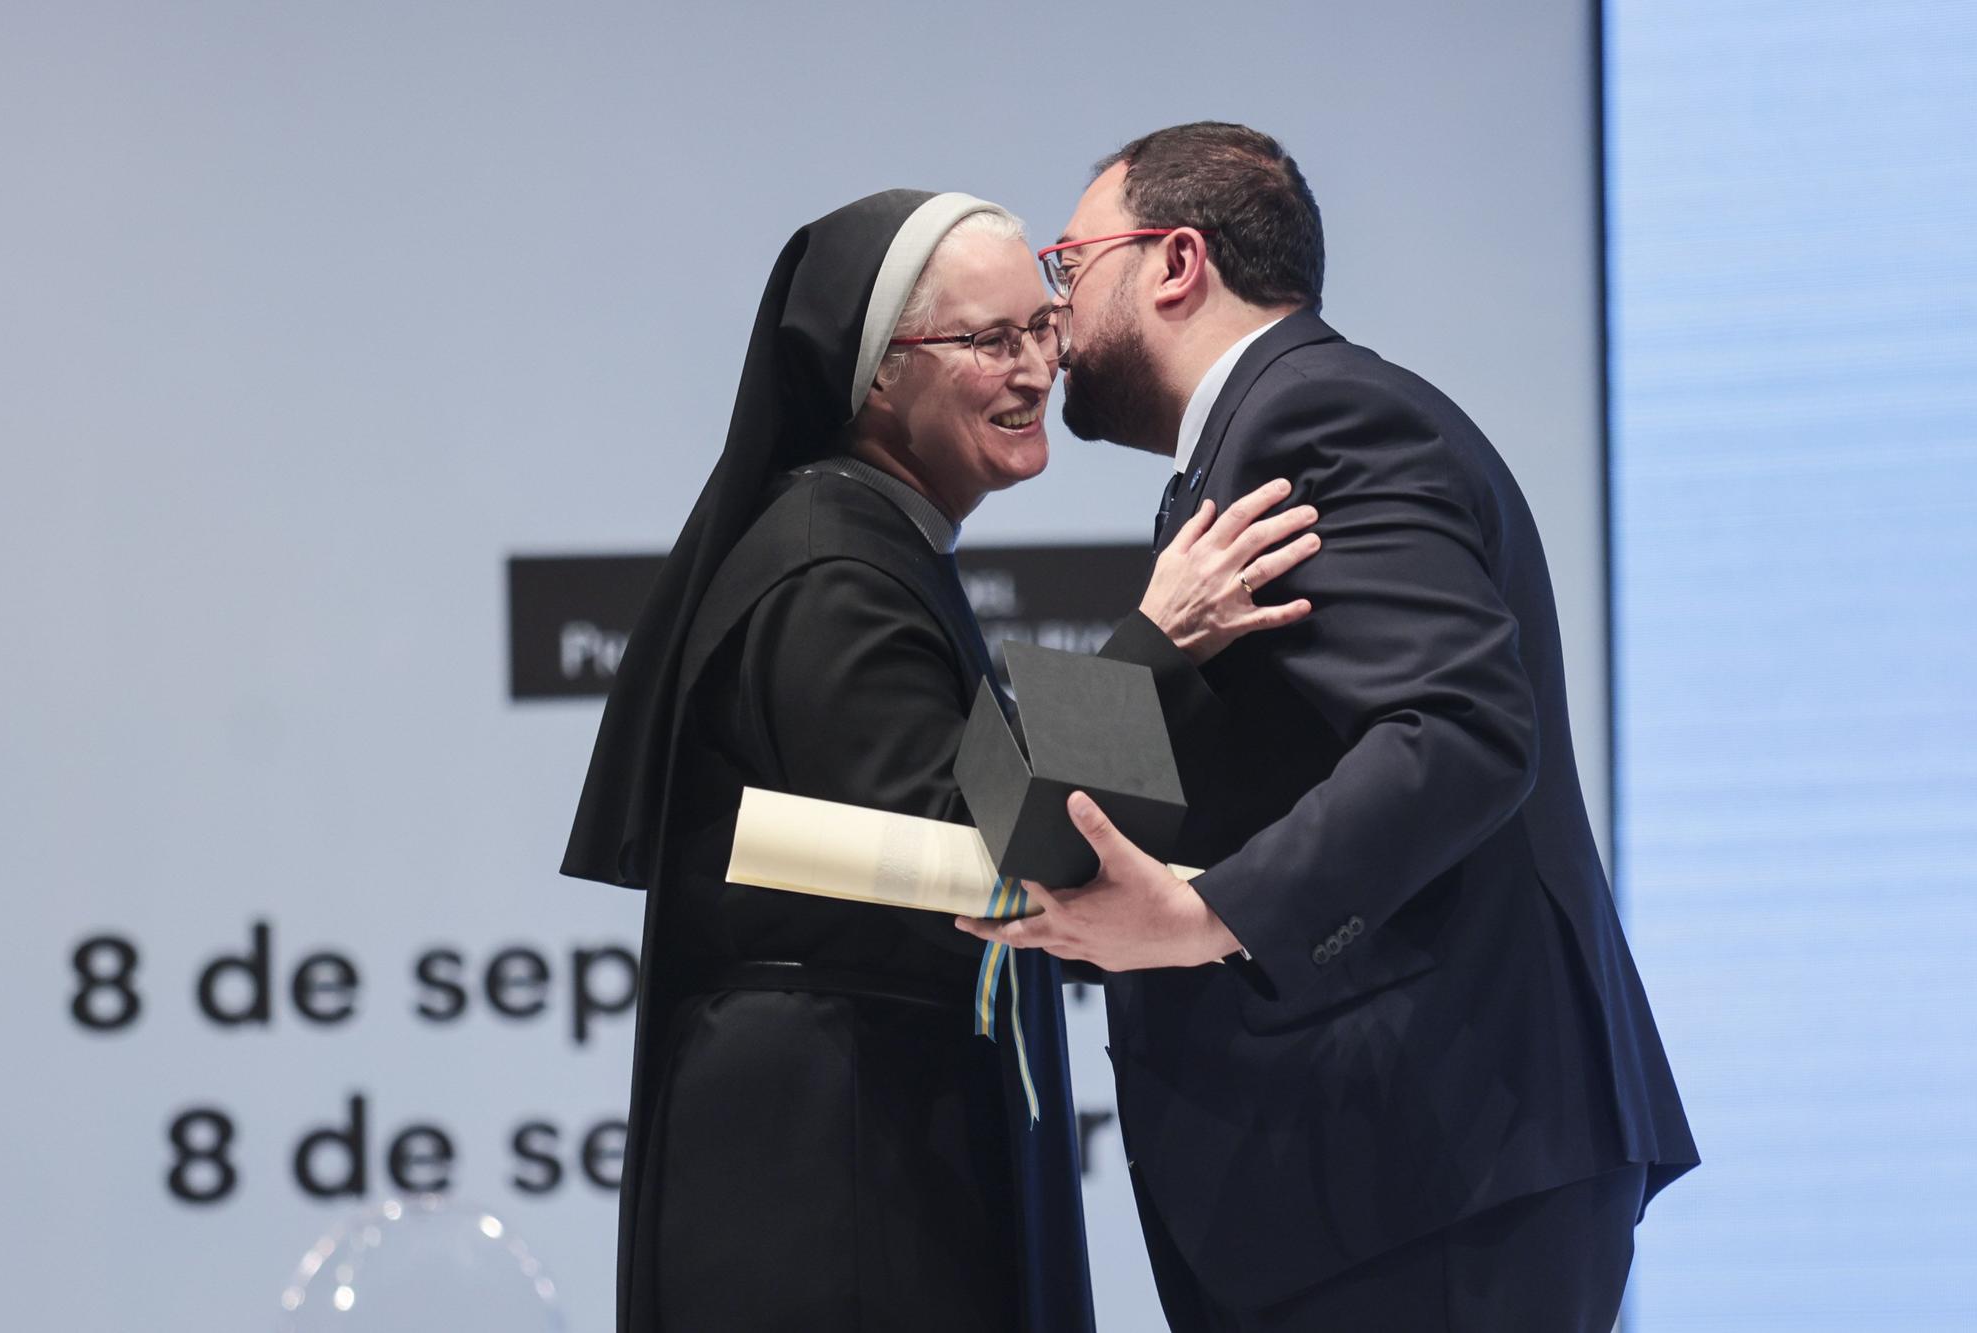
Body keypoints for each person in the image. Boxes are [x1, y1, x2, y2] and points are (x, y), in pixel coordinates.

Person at [962, 123, 1700, 1331]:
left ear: (1172, 261)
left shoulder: (1317, 415)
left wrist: (1207, 919)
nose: (1049, 322)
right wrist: (1143, 645)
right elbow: (1041, 811)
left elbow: (1458, 730)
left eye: (1067, 263)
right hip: (1382, 1179)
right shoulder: (1248, 446)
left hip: (1424, 1168)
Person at [561, 189, 1318, 1333]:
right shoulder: (828, 571)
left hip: (864, 1160)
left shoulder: (874, 546)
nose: (1033, 370)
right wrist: (1154, 641)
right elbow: (986, 864)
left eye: (1040, 329)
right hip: (833, 1197)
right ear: (876, 375)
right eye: (986, 340)